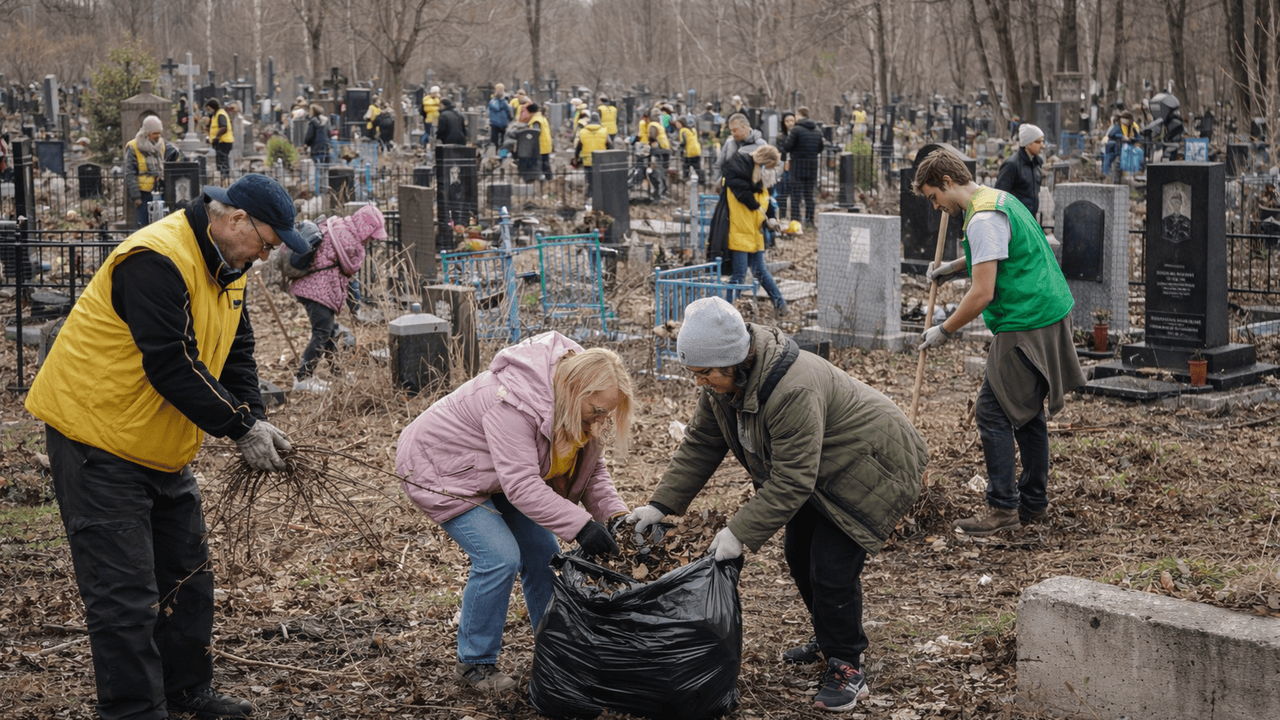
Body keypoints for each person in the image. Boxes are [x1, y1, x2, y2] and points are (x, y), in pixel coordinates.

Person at [24, 173, 309, 720]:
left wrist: (254, 416)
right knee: (124, 593)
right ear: (233, 220)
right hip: (96, 439)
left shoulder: (231, 263)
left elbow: (236, 349)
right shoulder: (154, 259)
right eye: (268, 243)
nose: (269, 256)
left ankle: (186, 693)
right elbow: (171, 363)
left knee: (188, 578)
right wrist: (238, 428)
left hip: (158, 444)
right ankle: (134, 711)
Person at [627, 296, 927, 713]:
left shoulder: (791, 387)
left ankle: (847, 665)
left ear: (733, 360)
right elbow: (701, 442)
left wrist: (738, 533)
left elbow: (792, 479)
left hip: (871, 466)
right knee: (797, 554)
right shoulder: (723, 386)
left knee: (831, 568)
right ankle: (829, 639)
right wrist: (660, 505)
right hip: (822, 469)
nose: (698, 382)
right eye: (692, 373)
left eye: (703, 373)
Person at [396, 333, 637, 692]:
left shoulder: (582, 404)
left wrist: (615, 517)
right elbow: (522, 486)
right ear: (575, 391)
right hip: (439, 469)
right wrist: (582, 527)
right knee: (499, 557)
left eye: (607, 412)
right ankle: (474, 664)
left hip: (497, 474)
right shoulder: (513, 402)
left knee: (544, 553)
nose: (601, 419)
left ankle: (557, 648)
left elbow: (591, 473)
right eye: (598, 411)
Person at [912, 149, 1085, 535]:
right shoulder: (997, 199)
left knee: (993, 411)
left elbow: (983, 292)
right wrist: (952, 269)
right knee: (1025, 412)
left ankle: (1003, 509)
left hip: (1026, 320)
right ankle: (1034, 504)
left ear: (946, 182)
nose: (936, 207)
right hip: (1048, 310)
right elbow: (997, 256)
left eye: (932, 197)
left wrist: (945, 330)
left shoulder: (983, 218)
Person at [289, 205, 387, 392]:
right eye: (373, 233)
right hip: (316, 289)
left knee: (329, 330)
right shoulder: (350, 241)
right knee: (322, 332)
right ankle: (303, 378)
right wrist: (355, 307)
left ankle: (337, 371)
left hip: (312, 287)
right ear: (366, 227)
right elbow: (352, 273)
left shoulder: (341, 227)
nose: (373, 239)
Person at [717, 144, 788, 316]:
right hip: (740, 232)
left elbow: (766, 202)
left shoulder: (758, 182)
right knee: (739, 275)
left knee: (760, 271)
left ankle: (780, 303)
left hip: (754, 234)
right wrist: (763, 212)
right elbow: (748, 200)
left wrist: (771, 217)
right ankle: (728, 313)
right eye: (765, 167)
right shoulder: (740, 179)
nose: (766, 172)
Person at [125, 114, 182, 229]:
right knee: (142, 226)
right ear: (146, 133)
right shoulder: (134, 147)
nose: (158, 136)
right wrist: (136, 197)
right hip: (143, 192)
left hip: (158, 190)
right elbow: (129, 173)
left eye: (159, 133)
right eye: (154, 133)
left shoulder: (161, 144)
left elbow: (174, 153)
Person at [781, 106, 825, 227]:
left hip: (798, 166)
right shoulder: (817, 129)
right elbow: (820, 148)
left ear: (799, 115)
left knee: (796, 195)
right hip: (812, 166)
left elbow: (787, 147)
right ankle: (810, 220)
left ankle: (796, 221)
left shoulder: (796, 130)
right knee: (809, 195)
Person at [995, 123, 1045, 222]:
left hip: (1030, 221)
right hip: (1015, 222)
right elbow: (999, 195)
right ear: (1028, 143)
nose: (1042, 146)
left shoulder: (1036, 164)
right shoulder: (1012, 165)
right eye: (1038, 142)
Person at [712, 113, 766, 186]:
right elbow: (719, 165)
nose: (733, 134)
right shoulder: (729, 143)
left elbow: (767, 169)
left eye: (735, 130)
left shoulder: (761, 145)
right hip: (729, 191)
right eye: (731, 131)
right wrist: (718, 183)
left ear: (745, 127)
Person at [574, 111, 612, 195]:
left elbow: (578, 148)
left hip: (587, 161)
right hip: (601, 161)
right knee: (600, 181)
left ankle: (590, 199)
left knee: (590, 182)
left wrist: (576, 159)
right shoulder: (604, 131)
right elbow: (610, 146)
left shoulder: (583, 132)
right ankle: (600, 198)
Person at [1102, 110, 1138, 181]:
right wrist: (1122, 137)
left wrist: (1131, 139)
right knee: (1114, 168)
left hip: (1124, 151)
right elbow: (1111, 134)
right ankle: (1110, 179)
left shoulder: (1132, 127)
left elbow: (1136, 137)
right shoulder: (1117, 127)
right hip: (1116, 151)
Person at [205, 98, 233, 176]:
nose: (209, 110)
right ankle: (223, 178)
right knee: (220, 162)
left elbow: (224, 128)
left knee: (222, 162)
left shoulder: (220, 114)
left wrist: (216, 137)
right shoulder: (216, 114)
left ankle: (225, 180)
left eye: (209, 108)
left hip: (223, 142)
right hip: (220, 142)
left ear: (213, 107)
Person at [527, 102, 553, 181]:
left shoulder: (536, 120)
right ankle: (549, 178)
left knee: (541, 163)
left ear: (531, 112)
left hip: (540, 144)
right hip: (546, 143)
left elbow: (535, 133)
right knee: (545, 162)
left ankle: (545, 178)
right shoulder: (542, 117)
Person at [674, 116, 702, 182]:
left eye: (678, 124)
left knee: (686, 166)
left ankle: (685, 178)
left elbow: (684, 142)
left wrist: (679, 146)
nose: (677, 126)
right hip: (697, 150)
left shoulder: (682, 130)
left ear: (682, 123)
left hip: (689, 152)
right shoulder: (693, 129)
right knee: (697, 167)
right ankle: (702, 180)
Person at [487, 83, 514, 149]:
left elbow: (508, 110)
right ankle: (499, 156)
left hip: (499, 124)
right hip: (499, 124)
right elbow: (499, 108)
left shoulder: (496, 101)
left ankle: (498, 156)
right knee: (500, 142)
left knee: (499, 142)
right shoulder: (499, 101)